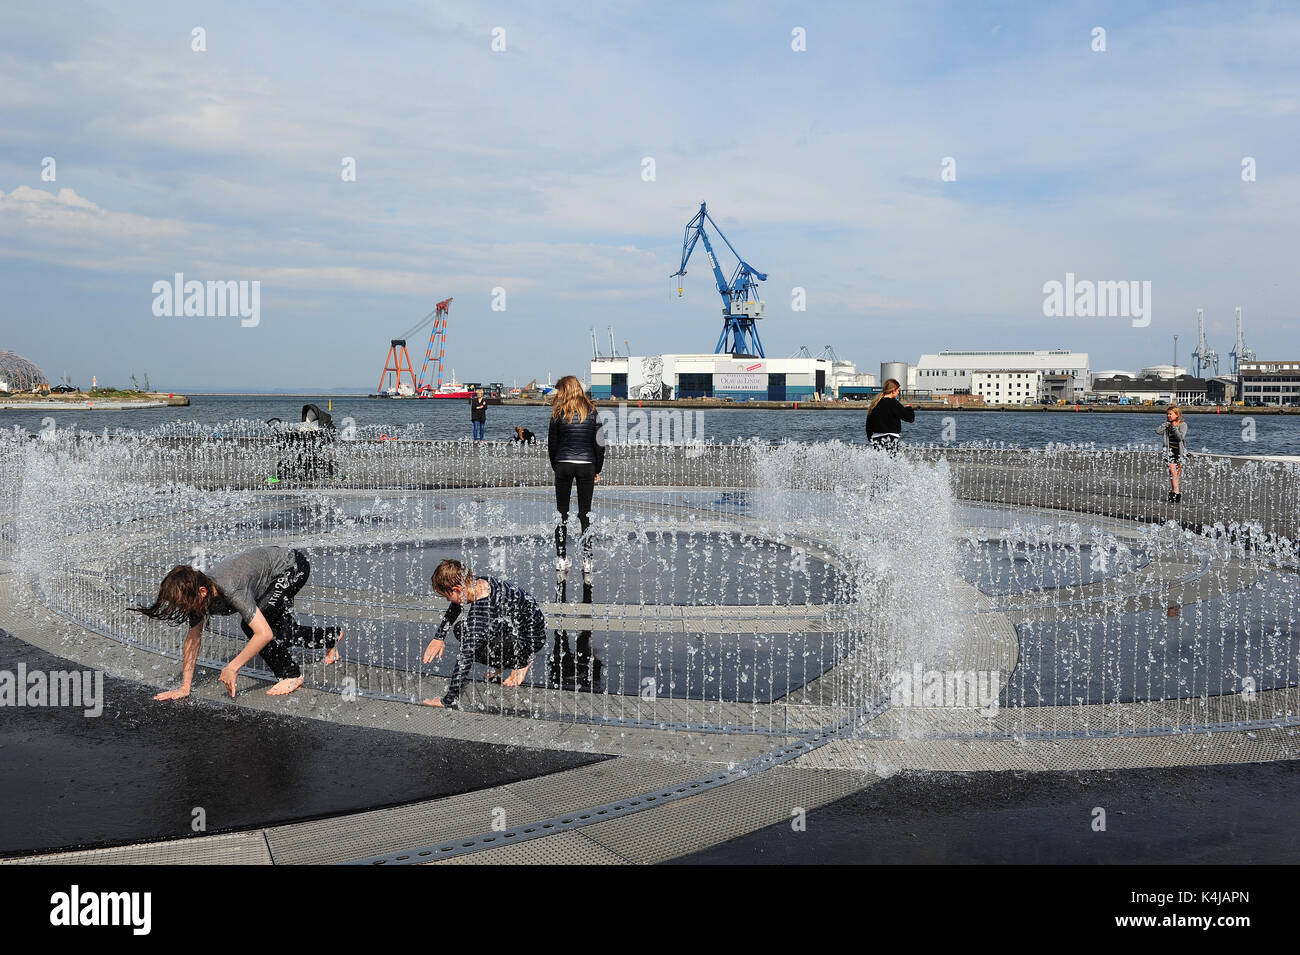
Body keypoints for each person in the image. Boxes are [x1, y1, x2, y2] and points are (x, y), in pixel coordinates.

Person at [134, 546, 342, 700]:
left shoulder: (230, 589)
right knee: (283, 631)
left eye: (182, 604)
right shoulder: (198, 598)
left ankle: (291, 675)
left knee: (256, 628)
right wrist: (184, 688)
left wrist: (233, 667)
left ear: (202, 592)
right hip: (269, 576)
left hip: (291, 567)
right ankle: (330, 636)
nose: (181, 609)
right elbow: (193, 638)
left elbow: (264, 635)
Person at [422, 559, 547, 708]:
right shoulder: (479, 582)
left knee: (470, 647)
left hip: (529, 640)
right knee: (462, 629)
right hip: (524, 628)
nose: (448, 600)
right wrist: (439, 637)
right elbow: (455, 606)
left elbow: (466, 655)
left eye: (447, 596)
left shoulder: (484, 608)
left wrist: (447, 700)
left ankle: (521, 661)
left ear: (458, 589)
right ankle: (508, 660)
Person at [547, 375, 605, 576]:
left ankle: (561, 559)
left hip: (563, 464)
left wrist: (556, 465)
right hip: (586, 465)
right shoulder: (592, 411)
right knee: (585, 514)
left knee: (561, 514)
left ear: (565, 390)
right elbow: (600, 443)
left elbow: (552, 443)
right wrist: (597, 468)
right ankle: (587, 560)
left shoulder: (558, 412)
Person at [865, 378, 915, 453]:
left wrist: (871, 440)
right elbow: (910, 418)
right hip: (890, 439)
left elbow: (868, 426)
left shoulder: (874, 404)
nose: (898, 392)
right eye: (898, 390)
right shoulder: (893, 403)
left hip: (876, 439)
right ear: (893, 390)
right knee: (891, 463)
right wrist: (909, 408)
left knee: (879, 463)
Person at [1156, 406, 1188, 503]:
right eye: (1167, 414)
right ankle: (1176, 494)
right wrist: (1165, 425)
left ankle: (1173, 492)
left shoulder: (1183, 425)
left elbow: (1180, 437)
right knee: (1172, 471)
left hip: (1179, 452)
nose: (1168, 416)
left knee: (1175, 474)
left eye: (1170, 414)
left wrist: (1174, 427)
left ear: (1177, 415)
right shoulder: (1167, 425)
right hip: (1169, 452)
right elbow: (1157, 431)